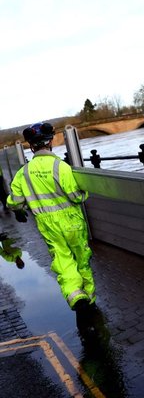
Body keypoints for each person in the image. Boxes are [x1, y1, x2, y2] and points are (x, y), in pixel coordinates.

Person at [7, 122, 96, 313]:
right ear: (50, 142)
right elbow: (76, 196)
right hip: (72, 221)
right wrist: (84, 194)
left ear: (31, 146)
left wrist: (17, 210)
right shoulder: (61, 166)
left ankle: (75, 296)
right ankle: (88, 295)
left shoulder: (23, 173)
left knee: (62, 259)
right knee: (81, 257)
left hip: (47, 224)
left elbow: (14, 201)